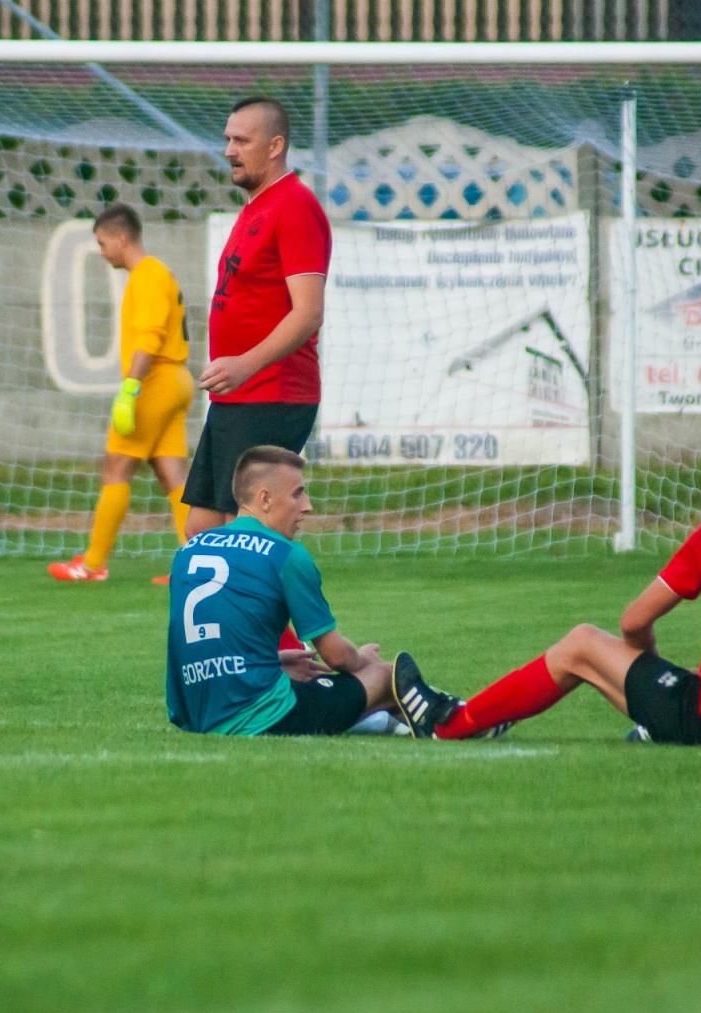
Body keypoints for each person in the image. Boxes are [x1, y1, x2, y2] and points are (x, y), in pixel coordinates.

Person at [434, 410, 701, 748]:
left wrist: (650, 669)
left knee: (581, 643)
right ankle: (658, 722)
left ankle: (454, 725)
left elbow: (633, 621)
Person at [166, 446, 458, 738]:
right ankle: (453, 720)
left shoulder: (187, 552)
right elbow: (337, 657)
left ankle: (385, 719)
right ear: (265, 499)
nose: (307, 506)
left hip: (199, 716)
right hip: (261, 716)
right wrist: (364, 661)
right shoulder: (286, 554)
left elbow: (201, 644)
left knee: (310, 677)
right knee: (387, 676)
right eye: (298, 493)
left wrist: (274, 663)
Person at [184, 96, 331, 545]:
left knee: (245, 538)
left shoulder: (295, 207)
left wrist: (245, 364)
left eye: (242, 140)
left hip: (272, 395)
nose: (229, 149)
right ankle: (244, 618)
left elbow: (308, 312)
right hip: (237, 399)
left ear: (275, 145)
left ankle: (291, 619)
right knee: (202, 531)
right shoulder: (256, 207)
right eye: (228, 139)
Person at [48, 204, 193, 583]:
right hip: (176, 379)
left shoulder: (146, 275)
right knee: (173, 475)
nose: (100, 251)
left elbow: (149, 338)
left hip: (157, 381)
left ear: (122, 239)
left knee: (116, 466)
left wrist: (130, 389)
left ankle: (92, 564)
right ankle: (198, 565)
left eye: (102, 242)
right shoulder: (157, 274)